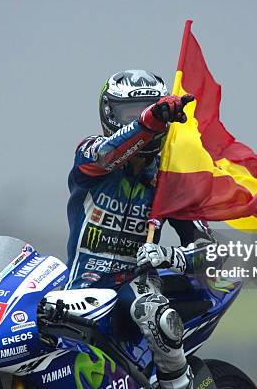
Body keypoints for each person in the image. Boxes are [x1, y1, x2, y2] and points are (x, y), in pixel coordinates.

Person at [65, 69, 216, 389]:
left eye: (147, 109)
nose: (142, 118)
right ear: (108, 115)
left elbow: (212, 252)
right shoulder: (89, 152)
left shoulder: (171, 179)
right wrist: (149, 121)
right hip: (82, 283)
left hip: (136, 285)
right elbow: (107, 155)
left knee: (157, 317)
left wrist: (170, 256)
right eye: (129, 113)